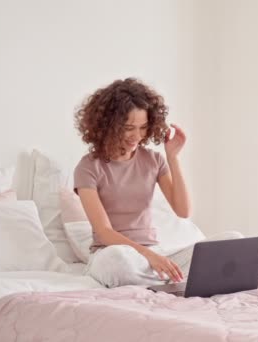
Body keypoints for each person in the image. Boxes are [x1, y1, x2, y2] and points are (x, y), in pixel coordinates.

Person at [73, 78, 242, 288]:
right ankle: (179, 280)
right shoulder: (88, 167)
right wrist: (148, 255)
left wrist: (173, 157)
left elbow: (183, 210)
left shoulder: (153, 160)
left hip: (154, 255)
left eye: (143, 127)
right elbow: (104, 231)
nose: (137, 136)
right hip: (113, 254)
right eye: (128, 128)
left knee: (233, 240)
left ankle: (169, 280)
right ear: (109, 126)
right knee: (118, 260)